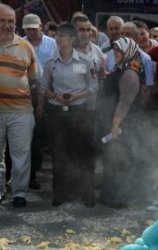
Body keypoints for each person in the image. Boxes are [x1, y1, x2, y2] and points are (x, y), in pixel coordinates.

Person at [41, 22, 98, 207]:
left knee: (83, 153)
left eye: (63, 35)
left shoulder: (85, 61)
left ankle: (87, 193)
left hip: (80, 112)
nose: (58, 39)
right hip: (58, 113)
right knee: (59, 154)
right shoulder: (50, 62)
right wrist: (54, 95)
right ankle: (60, 194)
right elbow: (43, 87)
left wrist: (76, 96)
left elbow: (93, 86)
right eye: (57, 35)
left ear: (72, 39)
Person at [99, 37, 146, 209]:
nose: (115, 53)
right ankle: (111, 195)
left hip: (124, 124)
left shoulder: (130, 73)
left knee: (119, 159)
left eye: (119, 51)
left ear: (128, 51)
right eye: (115, 50)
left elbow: (125, 101)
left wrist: (115, 124)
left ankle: (119, 197)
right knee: (113, 158)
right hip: (116, 121)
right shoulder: (124, 68)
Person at [0, 4, 38, 207]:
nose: (7, 25)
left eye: (11, 21)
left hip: (21, 111)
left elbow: (34, 79)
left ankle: (19, 193)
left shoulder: (26, 47)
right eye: (2, 20)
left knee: (21, 154)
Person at [22, 13, 57, 190]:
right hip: (25, 93)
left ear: (40, 27)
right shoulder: (20, 43)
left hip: (48, 93)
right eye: (27, 29)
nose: (30, 32)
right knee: (27, 136)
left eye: (33, 29)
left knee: (42, 135)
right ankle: (28, 175)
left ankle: (38, 170)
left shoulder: (52, 44)